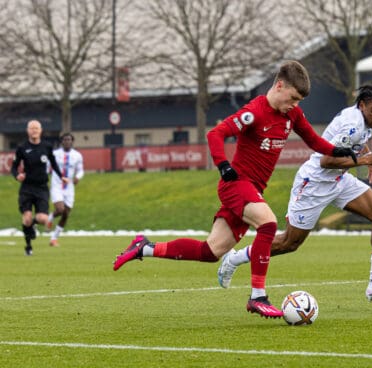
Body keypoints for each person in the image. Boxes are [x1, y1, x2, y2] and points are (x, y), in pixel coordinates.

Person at [112, 60, 356, 319]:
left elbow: (312, 139)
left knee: (210, 251)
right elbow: (215, 134)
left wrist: (335, 150)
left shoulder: (291, 115)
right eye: (293, 98)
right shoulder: (254, 111)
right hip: (236, 184)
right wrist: (223, 165)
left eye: (299, 101)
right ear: (280, 85)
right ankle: (257, 296)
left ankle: (144, 247)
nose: (295, 104)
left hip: (252, 189)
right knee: (268, 224)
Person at [217, 84, 372, 304]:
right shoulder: (352, 124)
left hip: (339, 180)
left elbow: (359, 140)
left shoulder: (361, 119)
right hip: (314, 183)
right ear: (362, 105)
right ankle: (234, 258)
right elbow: (327, 160)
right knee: (290, 243)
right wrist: (366, 161)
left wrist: (367, 156)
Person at [11, 120, 67, 256]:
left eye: (36, 128)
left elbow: (54, 164)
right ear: (28, 130)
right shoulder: (22, 148)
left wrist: (61, 176)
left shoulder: (47, 147)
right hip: (27, 188)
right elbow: (14, 166)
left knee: (43, 219)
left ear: (41, 130)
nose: (34, 130)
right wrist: (17, 175)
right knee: (27, 217)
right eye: (32, 128)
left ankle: (31, 224)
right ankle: (28, 246)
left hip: (42, 188)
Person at [46, 133, 85, 246]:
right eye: (65, 139)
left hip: (69, 188)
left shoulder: (77, 155)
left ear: (72, 141)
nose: (67, 141)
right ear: (61, 141)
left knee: (66, 214)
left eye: (69, 139)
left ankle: (54, 239)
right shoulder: (54, 154)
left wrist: (78, 177)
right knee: (60, 209)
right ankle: (51, 217)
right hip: (57, 186)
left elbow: (81, 170)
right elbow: (47, 167)